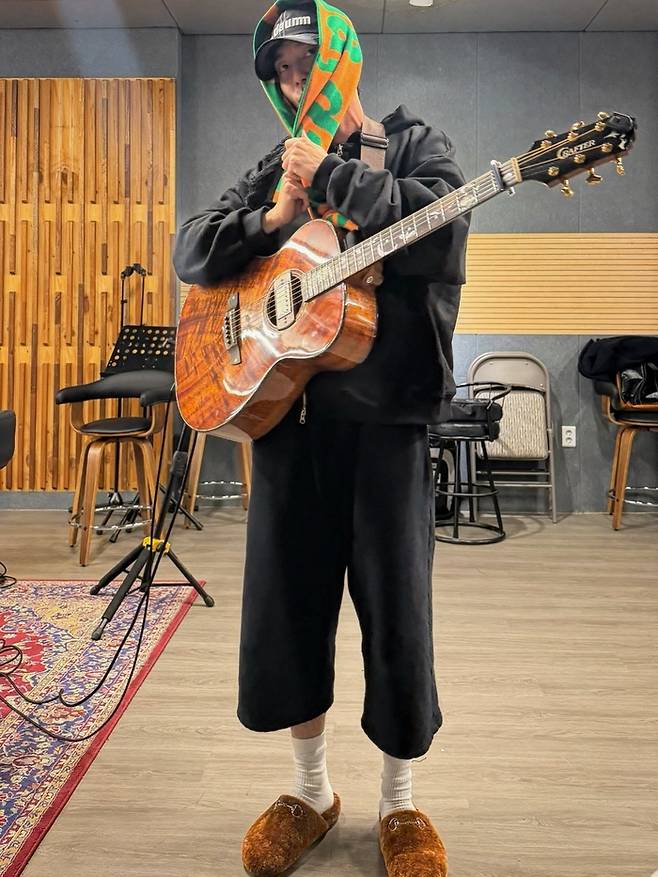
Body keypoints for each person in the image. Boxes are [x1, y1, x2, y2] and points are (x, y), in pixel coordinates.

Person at [173, 2, 470, 875]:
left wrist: (336, 175)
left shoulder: (412, 144)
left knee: (397, 617)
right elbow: (193, 250)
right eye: (282, 71)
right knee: (286, 613)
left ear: (342, 57)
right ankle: (310, 790)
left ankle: (400, 802)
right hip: (288, 427)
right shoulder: (272, 169)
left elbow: (444, 236)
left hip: (387, 429)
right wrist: (271, 220)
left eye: (306, 62)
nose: (295, 82)